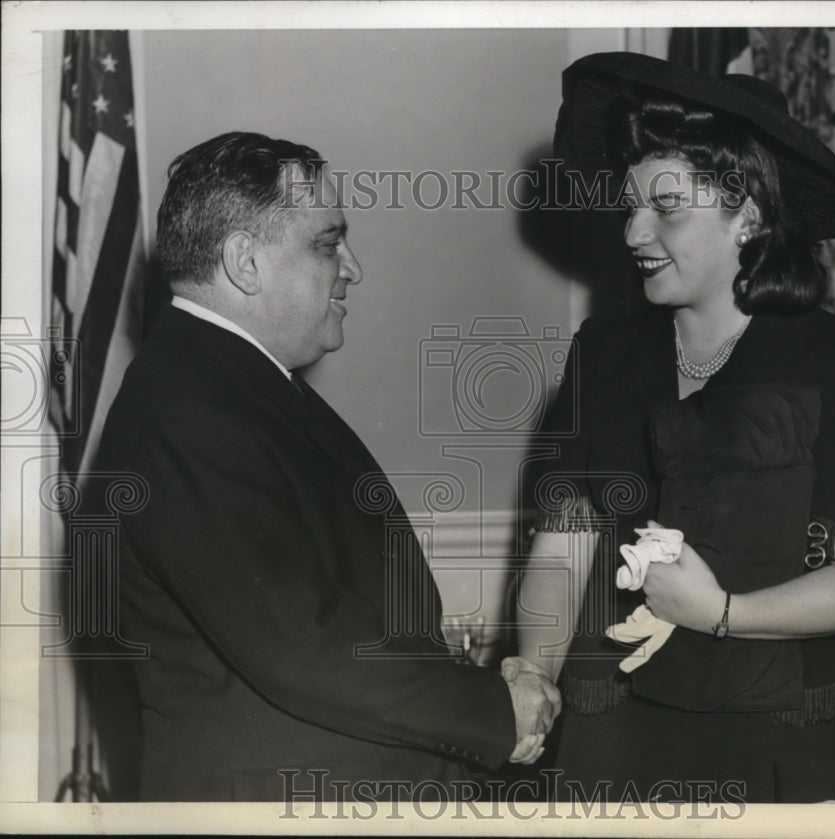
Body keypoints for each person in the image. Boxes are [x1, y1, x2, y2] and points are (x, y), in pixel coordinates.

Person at [89, 131, 559, 801]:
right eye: (327, 242)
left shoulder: (232, 386)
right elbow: (299, 644)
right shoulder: (191, 414)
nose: (353, 267)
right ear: (245, 263)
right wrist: (490, 709)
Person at [512, 53, 835, 803]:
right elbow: (562, 548)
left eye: (666, 207)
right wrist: (534, 674)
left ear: (747, 212)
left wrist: (723, 613)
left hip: (780, 738)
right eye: (629, 207)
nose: (634, 231)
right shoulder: (604, 353)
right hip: (616, 728)